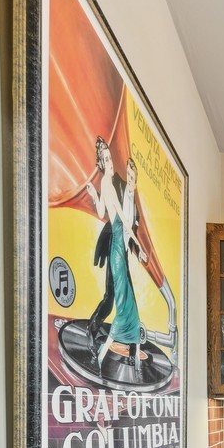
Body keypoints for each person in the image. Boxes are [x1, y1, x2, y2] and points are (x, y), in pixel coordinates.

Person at [86, 139, 146, 372]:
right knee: (115, 298)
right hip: (115, 247)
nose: (112, 163)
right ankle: (95, 333)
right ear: (102, 162)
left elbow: (104, 211)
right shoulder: (110, 184)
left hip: (120, 248)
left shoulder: (111, 183)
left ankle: (130, 348)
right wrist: (139, 247)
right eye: (108, 159)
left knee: (123, 298)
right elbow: (116, 216)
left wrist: (94, 194)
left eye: (111, 158)